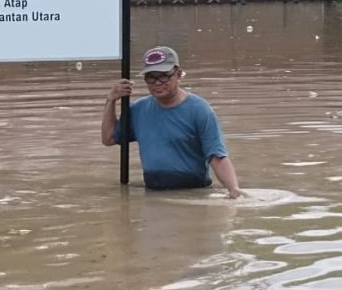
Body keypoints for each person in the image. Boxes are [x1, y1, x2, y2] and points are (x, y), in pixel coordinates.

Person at [101, 46, 242, 198]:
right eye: (151, 77)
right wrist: (111, 100)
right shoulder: (138, 110)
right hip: (153, 194)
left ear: (179, 74)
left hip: (194, 193)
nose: (157, 83)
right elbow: (109, 138)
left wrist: (233, 189)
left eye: (164, 76)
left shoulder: (200, 110)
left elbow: (217, 156)